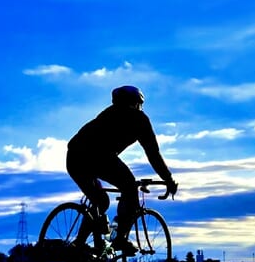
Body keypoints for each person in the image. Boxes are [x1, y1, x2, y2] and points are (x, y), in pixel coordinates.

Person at [66, 85, 177, 251]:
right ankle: (119, 238)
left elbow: (152, 154)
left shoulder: (112, 114)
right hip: (92, 156)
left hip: (78, 157)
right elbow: (153, 154)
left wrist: (167, 178)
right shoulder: (137, 120)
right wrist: (168, 179)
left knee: (101, 201)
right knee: (129, 187)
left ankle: (79, 245)